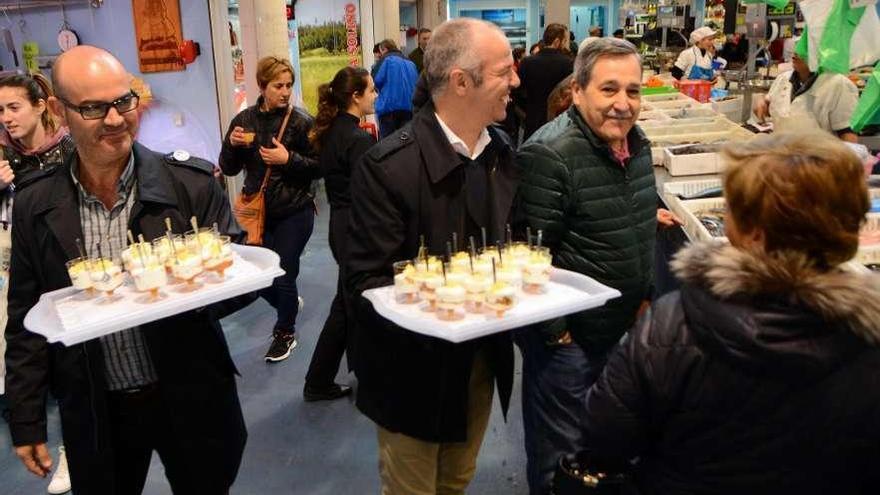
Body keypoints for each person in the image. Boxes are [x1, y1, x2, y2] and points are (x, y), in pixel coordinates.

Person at [6, 45, 249, 493]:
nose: (116, 119)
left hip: (189, 394)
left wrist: (193, 279)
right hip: (98, 407)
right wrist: (25, 414)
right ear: (59, 111)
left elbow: (239, 278)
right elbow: (26, 317)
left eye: (123, 101)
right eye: (94, 108)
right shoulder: (36, 204)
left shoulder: (190, 185)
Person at [584, 130, 880, 495]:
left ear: (750, 231)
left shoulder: (672, 327)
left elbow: (603, 437)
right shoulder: (868, 338)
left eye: (731, 206)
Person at [346, 18, 520, 494]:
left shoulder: (500, 154)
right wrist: (448, 300)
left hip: (480, 362)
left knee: (456, 481)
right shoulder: (386, 169)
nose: (517, 81)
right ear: (462, 82)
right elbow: (366, 286)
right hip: (411, 375)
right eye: (505, 71)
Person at [515, 38, 660, 494]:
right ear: (578, 91)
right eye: (609, 89)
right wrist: (558, 332)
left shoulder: (637, 145)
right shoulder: (549, 153)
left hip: (618, 328)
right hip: (569, 343)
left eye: (633, 91)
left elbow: (636, 225)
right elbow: (527, 252)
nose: (623, 104)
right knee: (559, 457)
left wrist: (643, 296)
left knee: (605, 445)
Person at [0, 73, 76, 495]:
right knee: (23, 349)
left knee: (70, 367)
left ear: (41, 105)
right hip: (13, 271)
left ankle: (72, 452)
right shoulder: (2, 156)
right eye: (0, 110)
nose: (6, 119)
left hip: (64, 270)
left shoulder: (68, 150)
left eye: (14, 107)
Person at [220, 56, 320, 363]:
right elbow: (228, 168)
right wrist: (232, 146)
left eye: (289, 85)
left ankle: (284, 332)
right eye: (278, 85)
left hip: (295, 210)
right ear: (262, 86)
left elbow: (320, 167)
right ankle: (286, 302)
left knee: (284, 272)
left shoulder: (302, 122)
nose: (285, 91)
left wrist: (288, 159)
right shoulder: (243, 121)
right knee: (258, 276)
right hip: (256, 212)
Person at [303, 66, 377, 401]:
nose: (376, 95)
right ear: (356, 96)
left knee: (347, 304)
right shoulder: (358, 139)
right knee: (351, 307)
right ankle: (321, 381)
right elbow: (369, 191)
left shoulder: (332, 132)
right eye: (371, 90)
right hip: (355, 228)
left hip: (341, 226)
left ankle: (323, 379)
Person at [753, 40, 859, 142]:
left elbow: (848, 135)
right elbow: (770, 106)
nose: (797, 52)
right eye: (798, 46)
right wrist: (761, 101)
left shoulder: (839, 85)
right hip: (782, 154)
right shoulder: (783, 78)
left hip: (819, 157)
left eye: (806, 48)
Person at [515, 23, 574, 139]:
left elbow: (518, 92)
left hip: (532, 120)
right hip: (558, 123)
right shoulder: (568, 63)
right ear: (557, 41)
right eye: (564, 40)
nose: (565, 44)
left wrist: (526, 113)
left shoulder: (527, 62)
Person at [374, 39, 419, 138]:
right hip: (409, 109)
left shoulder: (386, 60)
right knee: (404, 144)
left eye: (381, 52)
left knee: (387, 146)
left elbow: (376, 81)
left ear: (384, 49)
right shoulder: (411, 63)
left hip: (388, 109)